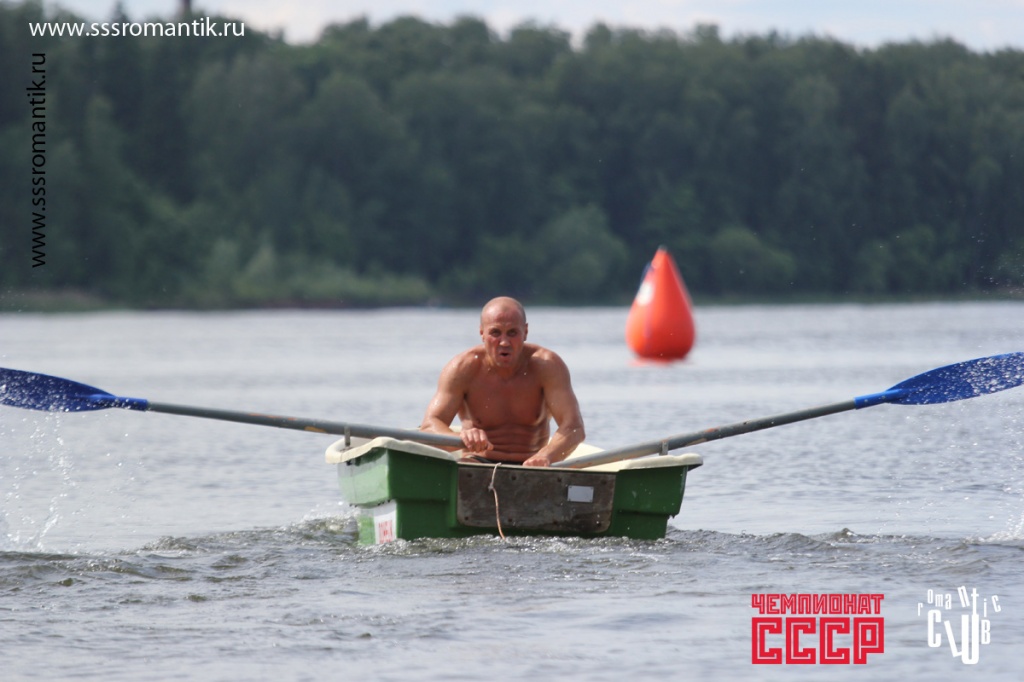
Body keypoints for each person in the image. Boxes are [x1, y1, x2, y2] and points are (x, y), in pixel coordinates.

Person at [419, 296, 585, 467]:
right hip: (477, 462)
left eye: (512, 333)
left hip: (533, 464)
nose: (504, 342)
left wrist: (546, 456)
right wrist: (461, 438)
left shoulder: (547, 366)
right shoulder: (462, 368)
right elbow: (429, 427)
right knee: (464, 468)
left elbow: (574, 428)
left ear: (525, 332)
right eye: (495, 333)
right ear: (482, 333)